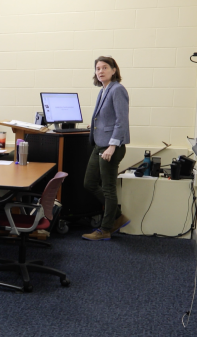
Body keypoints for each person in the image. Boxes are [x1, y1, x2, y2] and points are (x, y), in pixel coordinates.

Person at [82, 56, 130, 241]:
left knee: (108, 188)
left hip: (111, 147)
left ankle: (106, 228)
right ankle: (116, 215)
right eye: (97, 68)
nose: (100, 71)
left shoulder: (117, 89)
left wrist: (112, 146)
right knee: (89, 183)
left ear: (114, 70)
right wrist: (95, 127)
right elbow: (107, 118)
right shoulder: (103, 90)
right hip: (99, 144)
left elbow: (121, 121)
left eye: (104, 68)